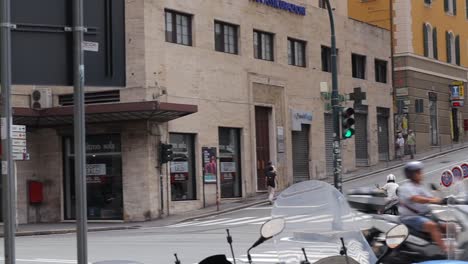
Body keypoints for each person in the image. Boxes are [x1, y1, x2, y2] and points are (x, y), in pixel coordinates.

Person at [398, 161, 448, 253]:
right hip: (411, 217)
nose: (421, 174)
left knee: (449, 226)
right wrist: (434, 200)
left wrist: (446, 200)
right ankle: (446, 252)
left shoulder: (420, 186)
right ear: (411, 174)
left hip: (424, 214)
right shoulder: (406, 187)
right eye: (418, 172)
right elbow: (416, 198)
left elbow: (431, 197)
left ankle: (460, 247)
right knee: (432, 226)